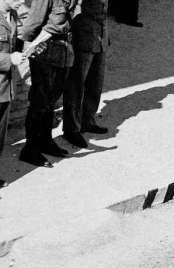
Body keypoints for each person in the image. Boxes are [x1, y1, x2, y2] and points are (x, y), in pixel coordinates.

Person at [19, 0, 79, 167]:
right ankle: (30, 149)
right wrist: (30, 49)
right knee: (40, 102)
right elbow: (32, 25)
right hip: (45, 53)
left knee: (51, 101)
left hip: (64, 53)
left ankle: (46, 140)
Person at [63, 0, 108, 140]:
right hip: (84, 36)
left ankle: (87, 120)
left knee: (96, 83)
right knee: (76, 85)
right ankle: (72, 129)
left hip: (101, 37)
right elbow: (67, 8)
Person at [0, 0, 25, 186]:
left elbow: (13, 45)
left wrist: (25, 51)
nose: (23, 1)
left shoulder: (12, 16)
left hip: (5, 89)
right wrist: (10, 59)